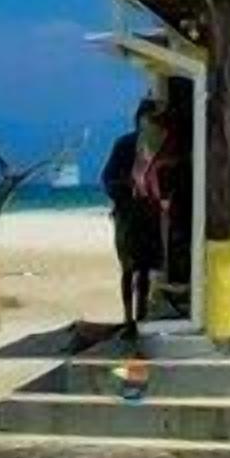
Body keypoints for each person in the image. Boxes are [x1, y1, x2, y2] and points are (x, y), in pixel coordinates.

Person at [102, 97, 174, 332]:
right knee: (127, 268)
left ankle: (140, 316)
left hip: (149, 213)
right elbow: (108, 178)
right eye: (148, 118)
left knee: (144, 269)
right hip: (127, 212)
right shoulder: (125, 144)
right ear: (139, 119)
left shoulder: (160, 145)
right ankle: (127, 317)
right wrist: (125, 191)